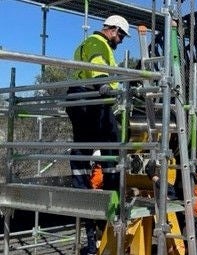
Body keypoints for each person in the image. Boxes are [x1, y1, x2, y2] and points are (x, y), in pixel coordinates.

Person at [65, 14, 129, 255]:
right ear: (111, 30)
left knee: (86, 144)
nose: (121, 40)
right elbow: (98, 67)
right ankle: (112, 188)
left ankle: (84, 187)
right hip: (90, 97)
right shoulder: (97, 43)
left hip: (82, 98)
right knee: (112, 140)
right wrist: (105, 85)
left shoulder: (88, 43)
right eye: (120, 35)